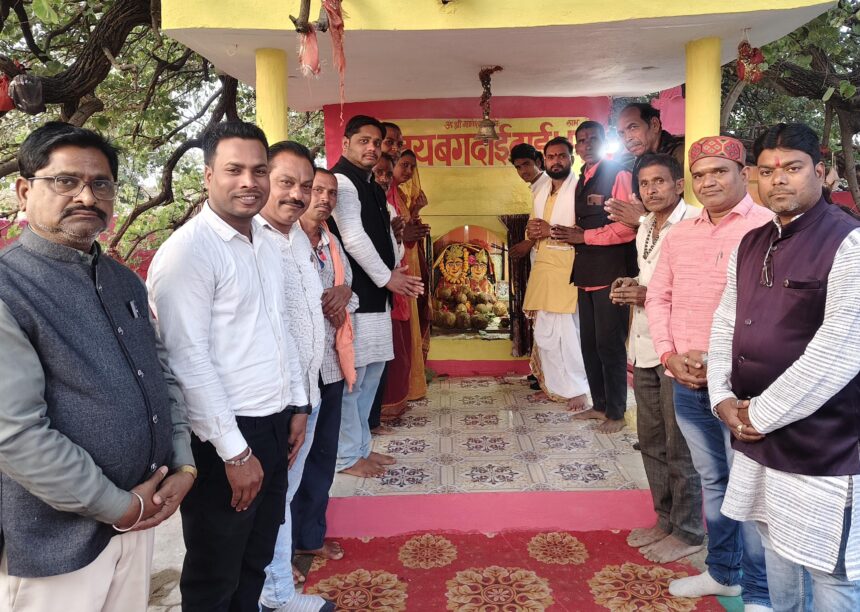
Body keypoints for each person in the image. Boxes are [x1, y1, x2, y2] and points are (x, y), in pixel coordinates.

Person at [0, 122, 194, 611]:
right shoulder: (9, 288)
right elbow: (16, 433)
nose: (87, 196)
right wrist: (120, 506)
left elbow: (160, 376)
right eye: (66, 181)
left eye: (100, 183)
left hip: (139, 516)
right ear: (24, 191)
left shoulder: (123, 281)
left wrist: (183, 462)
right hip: (55, 545)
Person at [147, 121, 310, 611]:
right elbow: (186, 360)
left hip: (274, 421)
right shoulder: (188, 252)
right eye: (234, 170)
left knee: (255, 559)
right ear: (207, 176)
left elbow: (281, 328)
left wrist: (297, 404)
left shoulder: (264, 241)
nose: (249, 182)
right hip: (224, 436)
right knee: (215, 574)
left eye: (259, 171)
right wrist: (235, 454)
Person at [710, 123, 860, 610]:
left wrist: (758, 414)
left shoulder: (848, 242)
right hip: (759, 436)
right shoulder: (752, 242)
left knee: (830, 571)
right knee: (776, 547)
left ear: (822, 171)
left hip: (825, 444)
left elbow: (840, 350)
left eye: (793, 168)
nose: (778, 179)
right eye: (767, 170)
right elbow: (726, 320)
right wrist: (720, 395)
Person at [645, 135, 772, 610]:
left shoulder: (768, 228)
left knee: (751, 488)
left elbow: (773, 312)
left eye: (720, 172)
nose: (708, 182)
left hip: (743, 385)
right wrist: (668, 355)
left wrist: (720, 362)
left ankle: (761, 592)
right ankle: (724, 573)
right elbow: (659, 297)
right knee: (713, 481)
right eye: (700, 175)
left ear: (745, 174)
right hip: (686, 381)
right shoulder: (681, 234)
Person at [610, 153, 704, 563]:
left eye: (660, 181)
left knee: (679, 444)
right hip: (645, 345)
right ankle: (664, 520)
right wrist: (632, 284)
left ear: (679, 185)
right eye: (645, 184)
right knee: (651, 440)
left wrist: (646, 295)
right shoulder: (646, 225)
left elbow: (702, 291)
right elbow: (652, 278)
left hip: (679, 349)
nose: (651, 190)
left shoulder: (696, 224)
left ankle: (688, 531)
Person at [257, 141, 334, 612]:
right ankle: (274, 595)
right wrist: (295, 404)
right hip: (278, 403)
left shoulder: (296, 238)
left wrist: (307, 398)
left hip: (306, 394)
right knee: (270, 501)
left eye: (305, 185)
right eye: (285, 182)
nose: (298, 194)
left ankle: (277, 592)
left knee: (280, 498)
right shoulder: (254, 241)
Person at [329, 115, 423, 478]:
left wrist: (395, 256)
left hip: (377, 297)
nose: (371, 148)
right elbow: (353, 238)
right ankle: (346, 457)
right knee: (353, 381)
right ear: (346, 143)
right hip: (356, 297)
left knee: (370, 378)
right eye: (363, 141)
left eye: (376, 142)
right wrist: (388, 278)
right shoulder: (343, 182)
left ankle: (362, 448)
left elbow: (384, 239)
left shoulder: (370, 184)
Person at [291, 167, 357, 577]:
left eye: (331, 193)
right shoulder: (283, 241)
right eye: (317, 190)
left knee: (321, 457)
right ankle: (281, 556)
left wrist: (344, 293)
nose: (325, 199)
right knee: (290, 462)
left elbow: (350, 291)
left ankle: (310, 536)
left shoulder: (332, 243)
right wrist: (324, 303)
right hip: (296, 371)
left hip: (330, 366)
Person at [551, 120, 637, 433]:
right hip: (586, 272)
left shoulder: (618, 174)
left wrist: (584, 236)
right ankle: (599, 405)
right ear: (577, 147)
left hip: (612, 274)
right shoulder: (582, 178)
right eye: (582, 140)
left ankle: (616, 412)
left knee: (610, 344)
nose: (587, 145)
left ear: (605, 141)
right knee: (589, 343)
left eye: (593, 139)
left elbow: (628, 226)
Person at [522, 136, 589, 411]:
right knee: (545, 331)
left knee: (569, 333)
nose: (556, 161)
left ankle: (578, 390)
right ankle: (553, 387)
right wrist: (532, 231)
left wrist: (550, 230)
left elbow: (585, 231)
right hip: (543, 267)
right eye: (551, 157)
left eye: (561, 156)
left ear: (571, 159)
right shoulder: (541, 191)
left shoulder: (580, 190)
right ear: (545, 161)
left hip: (568, 267)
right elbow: (533, 226)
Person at [604, 102, 684, 229]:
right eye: (621, 133)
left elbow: (691, 216)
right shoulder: (639, 160)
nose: (628, 138)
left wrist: (642, 219)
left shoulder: (681, 154)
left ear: (654, 125)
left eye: (633, 127)